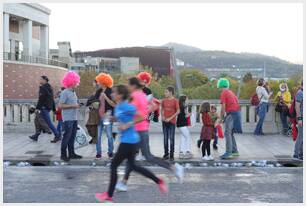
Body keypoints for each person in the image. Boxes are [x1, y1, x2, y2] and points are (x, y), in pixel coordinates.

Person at [95, 85, 168, 203]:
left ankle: (109, 195)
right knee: (134, 166)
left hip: (128, 141)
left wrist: (127, 124)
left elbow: (142, 116)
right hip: (130, 141)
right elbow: (121, 117)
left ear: (120, 95)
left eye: (114, 93)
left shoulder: (126, 106)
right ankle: (159, 181)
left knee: (114, 165)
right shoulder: (119, 106)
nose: (112, 94)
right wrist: (112, 118)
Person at [115, 77, 183, 192]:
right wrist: (149, 109)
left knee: (147, 157)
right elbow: (153, 106)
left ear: (133, 86)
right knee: (133, 158)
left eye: (128, 85)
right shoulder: (142, 95)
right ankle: (123, 183)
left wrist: (126, 121)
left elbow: (134, 112)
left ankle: (174, 168)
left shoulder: (135, 96)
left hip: (138, 130)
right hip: (141, 129)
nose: (127, 87)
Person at [58, 71, 82, 162]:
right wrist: (73, 106)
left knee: (72, 137)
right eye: (76, 82)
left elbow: (74, 103)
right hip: (68, 119)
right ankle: (63, 155)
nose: (77, 83)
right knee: (66, 137)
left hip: (74, 118)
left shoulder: (73, 92)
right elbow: (60, 106)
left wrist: (78, 104)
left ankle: (72, 154)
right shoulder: (65, 92)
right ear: (72, 82)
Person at [217, 78, 242, 159]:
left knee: (227, 133)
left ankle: (228, 153)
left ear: (220, 85)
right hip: (237, 113)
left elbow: (223, 107)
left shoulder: (224, 92)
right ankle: (235, 151)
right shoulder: (231, 92)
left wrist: (221, 118)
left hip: (231, 113)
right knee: (230, 133)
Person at [95, 73, 116, 159]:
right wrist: (94, 104)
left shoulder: (110, 91)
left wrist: (106, 97)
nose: (98, 83)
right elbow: (94, 102)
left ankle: (110, 152)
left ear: (103, 82)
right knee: (98, 135)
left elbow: (114, 104)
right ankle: (98, 152)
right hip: (98, 116)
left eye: (99, 82)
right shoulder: (98, 92)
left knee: (109, 135)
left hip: (107, 115)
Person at [36, 75, 61, 142]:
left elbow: (41, 99)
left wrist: (37, 108)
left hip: (44, 107)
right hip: (48, 107)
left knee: (49, 123)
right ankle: (36, 135)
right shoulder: (50, 87)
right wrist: (53, 109)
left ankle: (57, 135)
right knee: (37, 120)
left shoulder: (43, 88)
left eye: (41, 79)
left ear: (45, 80)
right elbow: (52, 99)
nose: (39, 80)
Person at [161, 86, 180, 161]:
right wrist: (162, 116)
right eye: (165, 92)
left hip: (172, 122)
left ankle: (171, 155)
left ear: (171, 92)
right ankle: (166, 154)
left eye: (166, 92)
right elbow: (162, 109)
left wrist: (170, 118)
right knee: (165, 138)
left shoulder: (175, 101)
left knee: (171, 138)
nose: (165, 93)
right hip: (164, 122)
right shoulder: (164, 100)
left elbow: (178, 111)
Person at [86, 80, 102, 144]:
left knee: (93, 125)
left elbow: (98, 101)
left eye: (94, 82)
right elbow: (89, 102)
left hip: (96, 112)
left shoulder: (100, 91)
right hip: (92, 111)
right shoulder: (95, 91)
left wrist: (93, 103)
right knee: (90, 125)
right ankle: (94, 138)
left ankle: (95, 139)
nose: (93, 83)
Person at [177, 95, 193, 159]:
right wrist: (188, 115)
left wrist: (187, 114)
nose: (188, 101)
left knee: (183, 137)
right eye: (187, 99)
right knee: (187, 137)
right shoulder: (182, 107)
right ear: (184, 100)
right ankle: (187, 152)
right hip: (182, 125)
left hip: (181, 125)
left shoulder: (183, 107)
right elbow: (182, 117)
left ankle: (181, 152)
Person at [293, 81, 303, 160]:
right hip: (301, 118)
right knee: (300, 136)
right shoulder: (300, 93)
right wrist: (299, 119)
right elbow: (297, 107)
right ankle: (296, 154)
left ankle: (301, 153)